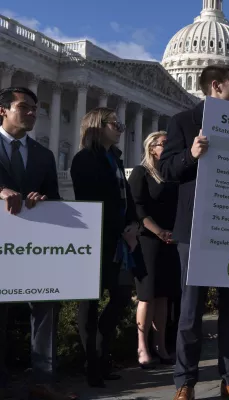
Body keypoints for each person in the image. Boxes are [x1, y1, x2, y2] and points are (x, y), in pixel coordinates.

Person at [158, 65, 229, 400]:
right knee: (190, 310)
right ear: (215, 86)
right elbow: (167, 169)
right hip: (195, 228)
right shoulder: (183, 121)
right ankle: (184, 382)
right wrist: (191, 154)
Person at [0, 87, 76, 399]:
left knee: (45, 311)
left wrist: (42, 200)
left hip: (33, 247)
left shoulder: (44, 155)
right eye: (24, 107)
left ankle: (43, 382)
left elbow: (55, 200)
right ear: (2, 110)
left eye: (35, 107)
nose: (33, 112)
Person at [70, 107, 140, 387]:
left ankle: (101, 353)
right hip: (96, 238)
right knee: (89, 301)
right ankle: (92, 364)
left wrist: (133, 223)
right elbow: (92, 201)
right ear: (99, 126)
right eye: (116, 124)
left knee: (122, 295)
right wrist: (121, 229)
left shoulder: (115, 159)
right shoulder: (85, 159)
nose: (121, 129)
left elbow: (126, 197)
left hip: (119, 238)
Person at [128, 131, 180, 367]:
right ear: (152, 148)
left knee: (164, 296)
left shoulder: (171, 175)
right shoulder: (141, 173)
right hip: (148, 240)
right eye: (164, 144)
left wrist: (171, 233)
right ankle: (142, 345)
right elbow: (137, 208)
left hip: (170, 240)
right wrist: (158, 231)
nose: (168, 149)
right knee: (147, 296)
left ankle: (160, 344)